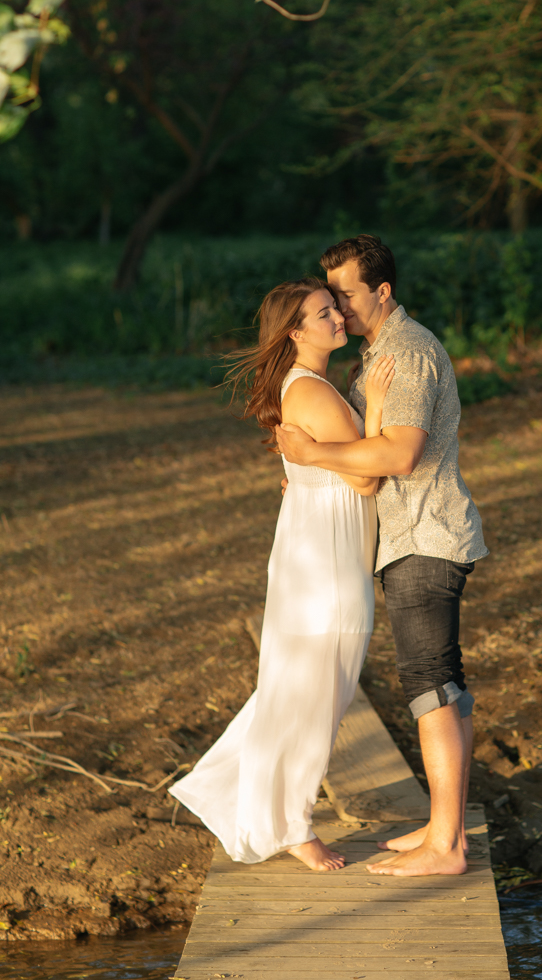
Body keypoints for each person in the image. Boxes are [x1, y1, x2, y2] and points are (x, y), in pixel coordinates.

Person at [276, 235, 487, 877]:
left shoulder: (410, 352)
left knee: (431, 685)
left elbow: (397, 456)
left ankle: (446, 846)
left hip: (425, 536)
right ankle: (442, 825)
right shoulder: (377, 358)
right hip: (404, 539)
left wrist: (314, 458)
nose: (337, 308)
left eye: (344, 293)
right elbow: (360, 446)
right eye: (330, 298)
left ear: (381, 291)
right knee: (439, 681)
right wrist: (313, 470)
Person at [169, 276, 395, 872]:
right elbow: (366, 477)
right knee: (317, 689)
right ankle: (292, 824)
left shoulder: (309, 385)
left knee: (306, 685)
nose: (339, 318)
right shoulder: (312, 393)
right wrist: (374, 401)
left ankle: (228, 789)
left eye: (335, 309)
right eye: (325, 314)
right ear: (295, 332)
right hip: (324, 556)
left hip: (319, 544)